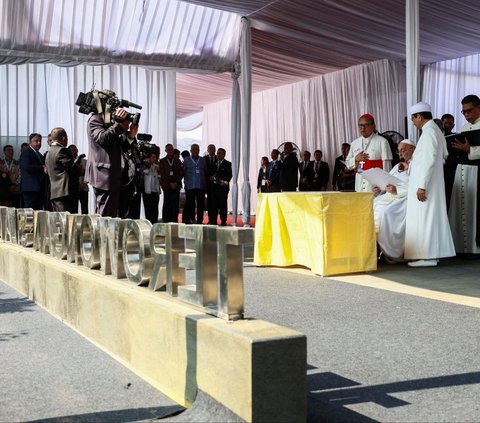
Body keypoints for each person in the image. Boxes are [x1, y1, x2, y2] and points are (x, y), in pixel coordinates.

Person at [404, 102, 455, 267]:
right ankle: (430, 255)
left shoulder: (429, 132)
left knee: (426, 219)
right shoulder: (434, 131)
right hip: (430, 183)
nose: (413, 122)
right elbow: (443, 155)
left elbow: (429, 160)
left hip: (427, 185)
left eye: (413, 119)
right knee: (429, 218)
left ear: (419, 117)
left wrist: (422, 185)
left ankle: (428, 256)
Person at [84, 89, 138, 217]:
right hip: (104, 176)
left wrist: (130, 135)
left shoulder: (110, 122)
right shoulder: (95, 119)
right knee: (106, 214)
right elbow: (102, 139)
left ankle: (108, 236)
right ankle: (104, 237)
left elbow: (121, 146)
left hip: (114, 176)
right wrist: (119, 125)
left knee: (113, 213)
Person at [373, 140, 415, 262]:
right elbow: (387, 180)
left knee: (385, 213)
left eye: (404, 150)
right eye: (399, 151)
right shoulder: (397, 167)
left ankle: (390, 251)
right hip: (389, 197)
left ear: (413, 150)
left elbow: (416, 186)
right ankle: (375, 249)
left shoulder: (416, 165)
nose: (401, 154)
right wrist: (379, 188)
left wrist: (397, 190)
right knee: (371, 206)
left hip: (404, 199)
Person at [448, 94, 480, 256]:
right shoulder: (464, 129)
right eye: (463, 112)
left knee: (474, 209)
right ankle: (461, 247)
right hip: (462, 170)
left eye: (469, 111)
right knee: (462, 208)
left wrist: (469, 150)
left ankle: (475, 248)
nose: (466, 115)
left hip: (476, 172)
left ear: (478, 107)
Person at [345, 114, 392, 192]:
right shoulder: (354, 143)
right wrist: (356, 159)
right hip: (359, 185)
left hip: (375, 187)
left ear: (373, 126)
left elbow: (387, 167)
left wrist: (383, 186)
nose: (363, 128)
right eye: (360, 125)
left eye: (366, 125)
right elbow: (348, 164)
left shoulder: (382, 141)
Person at [45, 128, 79, 213]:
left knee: (59, 222)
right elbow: (72, 168)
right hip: (65, 192)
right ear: (64, 138)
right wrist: (79, 169)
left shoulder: (49, 152)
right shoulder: (62, 150)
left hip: (54, 192)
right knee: (68, 222)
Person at [19, 133, 46, 210]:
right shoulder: (26, 153)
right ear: (30, 142)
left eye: (40, 141)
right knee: (29, 212)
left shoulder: (39, 154)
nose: (39, 143)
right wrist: (42, 167)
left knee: (38, 212)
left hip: (39, 188)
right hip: (30, 188)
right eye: (36, 141)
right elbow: (27, 167)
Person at [182, 143, 208, 224]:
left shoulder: (203, 160)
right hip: (190, 185)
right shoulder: (186, 160)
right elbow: (183, 172)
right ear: (190, 151)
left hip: (201, 185)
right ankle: (191, 219)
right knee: (190, 204)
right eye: (193, 150)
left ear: (199, 150)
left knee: (200, 204)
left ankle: (200, 220)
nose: (195, 151)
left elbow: (206, 172)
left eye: (197, 149)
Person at [159, 143, 184, 223]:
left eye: (172, 149)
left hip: (176, 186)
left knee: (175, 204)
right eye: (169, 149)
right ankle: (166, 219)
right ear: (166, 150)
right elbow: (162, 174)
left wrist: (176, 183)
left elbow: (181, 173)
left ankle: (174, 219)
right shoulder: (162, 161)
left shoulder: (177, 161)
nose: (170, 151)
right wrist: (169, 183)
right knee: (167, 203)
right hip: (167, 186)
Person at [210, 148, 232, 226]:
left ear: (224, 154)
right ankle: (213, 220)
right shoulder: (213, 163)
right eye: (218, 153)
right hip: (214, 187)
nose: (218, 155)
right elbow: (210, 173)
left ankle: (223, 220)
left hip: (223, 188)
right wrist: (212, 177)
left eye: (220, 153)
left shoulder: (228, 164)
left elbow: (229, 175)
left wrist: (225, 182)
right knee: (214, 205)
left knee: (223, 205)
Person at [68, 144, 89, 214]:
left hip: (84, 188)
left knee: (85, 208)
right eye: (71, 151)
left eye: (75, 150)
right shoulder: (68, 162)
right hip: (74, 189)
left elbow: (89, 174)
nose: (74, 152)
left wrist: (84, 184)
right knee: (74, 209)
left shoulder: (85, 161)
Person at [142, 151, 161, 224]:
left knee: (155, 209)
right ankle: (149, 224)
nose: (154, 158)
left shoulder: (156, 166)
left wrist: (159, 171)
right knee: (148, 209)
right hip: (148, 191)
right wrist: (148, 163)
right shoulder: (145, 165)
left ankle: (155, 223)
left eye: (155, 157)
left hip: (155, 191)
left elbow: (159, 177)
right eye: (152, 157)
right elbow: (145, 171)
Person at [205, 144, 218, 224]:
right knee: (209, 203)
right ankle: (210, 219)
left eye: (213, 148)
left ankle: (215, 219)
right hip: (208, 184)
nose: (212, 150)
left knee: (216, 203)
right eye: (210, 148)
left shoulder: (218, 158)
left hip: (217, 185)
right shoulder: (204, 159)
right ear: (208, 150)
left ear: (215, 149)